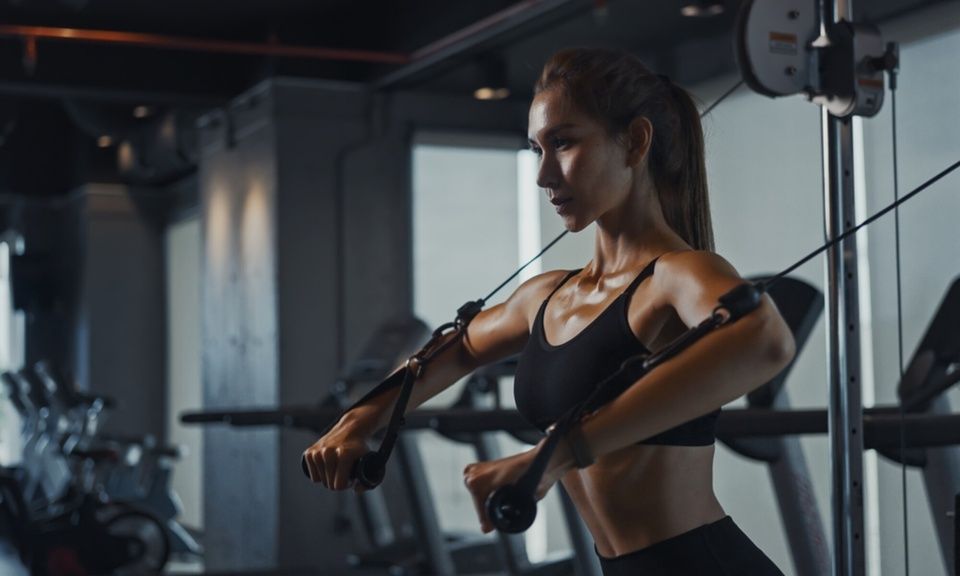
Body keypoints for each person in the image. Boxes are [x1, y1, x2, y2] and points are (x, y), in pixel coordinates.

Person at [303, 47, 794, 575]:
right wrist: (359, 420)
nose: (542, 174)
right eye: (536, 148)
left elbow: (764, 340)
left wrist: (558, 452)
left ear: (635, 141)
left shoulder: (678, 276)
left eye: (562, 142)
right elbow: (460, 348)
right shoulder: (546, 296)